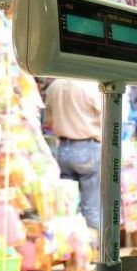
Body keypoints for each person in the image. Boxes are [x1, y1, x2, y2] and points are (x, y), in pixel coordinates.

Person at [45, 78, 102, 231]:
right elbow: (108, 116)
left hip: (62, 148)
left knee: (66, 205)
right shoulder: (90, 85)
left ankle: (70, 247)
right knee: (91, 207)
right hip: (88, 147)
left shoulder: (53, 86)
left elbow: (49, 121)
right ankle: (92, 251)